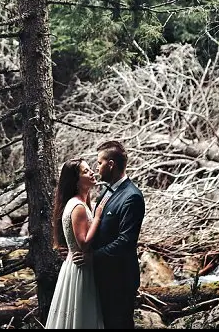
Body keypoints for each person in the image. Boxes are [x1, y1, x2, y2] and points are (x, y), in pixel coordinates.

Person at [45, 158, 108, 329]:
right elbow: (83, 244)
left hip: (74, 265)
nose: (92, 172)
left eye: (90, 169)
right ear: (76, 180)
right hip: (80, 268)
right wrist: (97, 217)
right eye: (86, 171)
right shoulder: (78, 206)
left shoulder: (77, 203)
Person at [89, 140, 145, 329]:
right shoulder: (106, 191)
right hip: (102, 277)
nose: (97, 168)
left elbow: (126, 241)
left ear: (110, 164)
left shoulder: (132, 197)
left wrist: (91, 257)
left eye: (99, 163)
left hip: (120, 280)